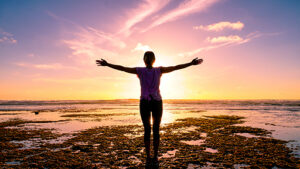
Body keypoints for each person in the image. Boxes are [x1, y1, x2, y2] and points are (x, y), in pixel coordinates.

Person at [96, 51, 203, 167]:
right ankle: (148, 157)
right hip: (145, 103)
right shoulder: (140, 70)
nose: (148, 59)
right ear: (144, 59)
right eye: (146, 57)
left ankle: (155, 156)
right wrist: (108, 64)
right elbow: (123, 68)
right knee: (147, 129)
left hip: (156, 102)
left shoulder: (159, 70)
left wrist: (190, 63)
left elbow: (175, 67)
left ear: (153, 60)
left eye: (150, 57)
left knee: (156, 129)